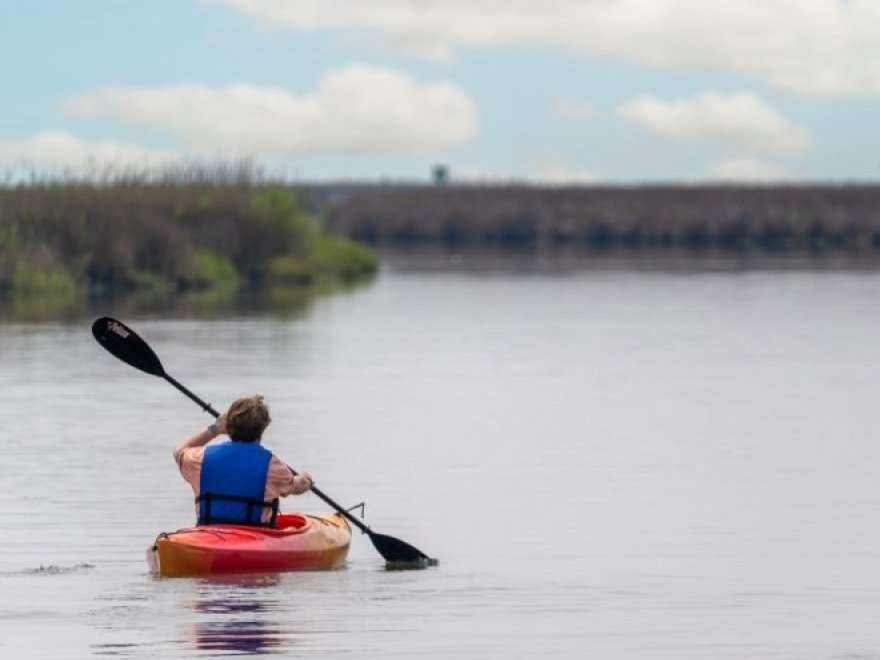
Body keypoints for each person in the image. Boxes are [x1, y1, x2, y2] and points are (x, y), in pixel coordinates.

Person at [173, 395, 313, 527]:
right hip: (255, 538)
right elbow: (297, 487)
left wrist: (214, 429)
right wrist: (306, 480)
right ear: (263, 428)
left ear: (228, 426)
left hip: (209, 534)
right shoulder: (272, 465)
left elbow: (179, 451)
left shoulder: (201, 458)